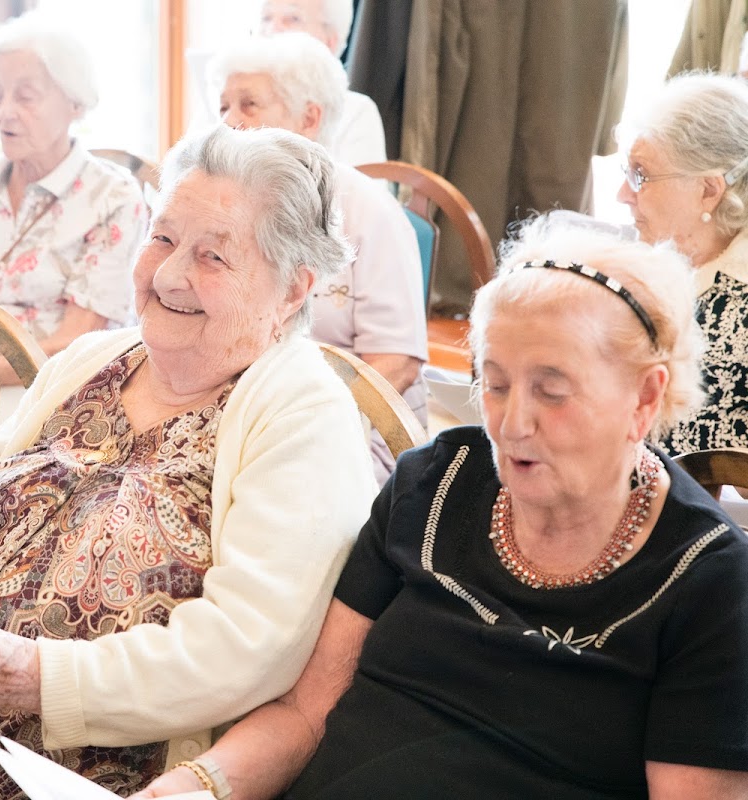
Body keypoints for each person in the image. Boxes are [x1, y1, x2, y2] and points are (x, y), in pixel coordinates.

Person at [135, 218, 748, 799]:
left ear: (645, 397)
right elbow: (304, 714)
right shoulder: (433, 483)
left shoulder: (710, 581)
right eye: (496, 384)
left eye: (552, 392)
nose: (513, 424)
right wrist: (199, 784)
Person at [0, 124, 378, 798]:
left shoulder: (302, 414)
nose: (169, 274)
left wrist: (43, 677)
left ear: (292, 289)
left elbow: (247, 646)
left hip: (88, 770)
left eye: (213, 258)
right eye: (163, 238)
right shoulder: (91, 360)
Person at [209, 31, 426, 482]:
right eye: (223, 106)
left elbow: (397, 362)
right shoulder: (225, 207)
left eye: (249, 105)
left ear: (309, 117)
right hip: (241, 412)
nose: (229, 121)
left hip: (353, 424)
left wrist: (296, 418)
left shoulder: (369, 211)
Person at [0, 12, 148, 390]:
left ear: (76, 104)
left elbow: (79, 345)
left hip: (54, 392)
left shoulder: (113, 198)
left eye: (26, 96)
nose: (4, 113)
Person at [617, 72, 748, 455]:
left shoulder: (732, 315)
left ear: (709, 191)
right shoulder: (672, 271)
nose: (623, 194)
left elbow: (666, 451)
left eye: (640, 175)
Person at [258, 0, 385, 165]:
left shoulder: (356, 111)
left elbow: (361, 189)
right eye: (266, 18)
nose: (272, 30)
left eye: (293, 18)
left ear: (329, 42)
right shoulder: (229, 99)